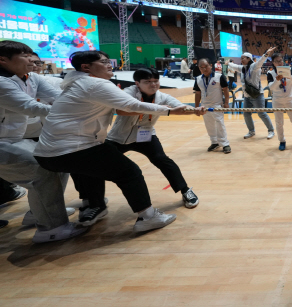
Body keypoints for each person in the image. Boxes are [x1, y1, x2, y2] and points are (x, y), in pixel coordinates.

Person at [33, 50, 186, 232]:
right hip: (76, 147)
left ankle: (93, 206)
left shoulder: (76, 83)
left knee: (89, 169)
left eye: (108, 61)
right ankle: (148, 216)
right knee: (129, 172)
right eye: (104, 62)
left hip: (49, 153)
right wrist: (169, 110)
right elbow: (130, 105)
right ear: (86, 67)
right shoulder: (96, 84)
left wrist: (177, 107)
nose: (109, 64)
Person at [0, 42, 85, 242]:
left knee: (56, 160)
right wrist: (79, 111)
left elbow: (59, 98)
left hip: (13, 139)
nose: (33, 59)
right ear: (2, 60)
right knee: (42, 170)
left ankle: (38, 213)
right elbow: (31, 107)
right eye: (25, 55)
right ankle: (50, 228)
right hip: (4, 142)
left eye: (31, 55)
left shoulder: (33, 78)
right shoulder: (1, 82)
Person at [105, 68, 204, 208]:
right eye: (148, 82)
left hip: (145, 135)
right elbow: (121, 109)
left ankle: (185, 190)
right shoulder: (129, 92)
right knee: (99, 165)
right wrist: (160, 108)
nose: (153, 85)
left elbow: (180, 106)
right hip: (118, 137)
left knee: (162, 160)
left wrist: (194, 109)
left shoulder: (162, 97)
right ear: (137, 83)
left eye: (155, 81)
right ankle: (95, 201)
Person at [228, 48, 276, 140]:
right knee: (246, 114)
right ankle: (251, 131)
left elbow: (260, 61)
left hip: (257, 95)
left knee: (261, 114)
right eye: (241, 58)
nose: (241, 60)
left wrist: (266, 54)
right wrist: (228, 63)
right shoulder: (242, 68)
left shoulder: (254, 66)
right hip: (247, 96)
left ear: (249, 59)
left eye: (243, 58)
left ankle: (271, 130)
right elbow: (234, 66)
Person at [193, 58, 231, 153]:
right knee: (209, 125)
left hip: (217, 105)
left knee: (220, 124)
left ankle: (225, 143)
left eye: (205, 67)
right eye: (201, 68)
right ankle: (214, 142)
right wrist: (196, 107)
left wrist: (226, 102)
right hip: (204, 106)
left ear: (210, 65)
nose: (204, 69)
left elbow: (225, 89)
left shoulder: (219, 76)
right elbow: (197, 93)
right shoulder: (198, 79)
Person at [267, 53, 292, 151]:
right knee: (279, 122)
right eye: (277, 61)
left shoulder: (288, 69)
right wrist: (277, 80)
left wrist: (289, 76)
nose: (279, 62)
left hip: (289, 99)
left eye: (281, 60)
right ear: (273, 62)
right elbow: (271, 87)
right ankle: (282, 141)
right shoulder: (270, 73)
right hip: (277, 100)